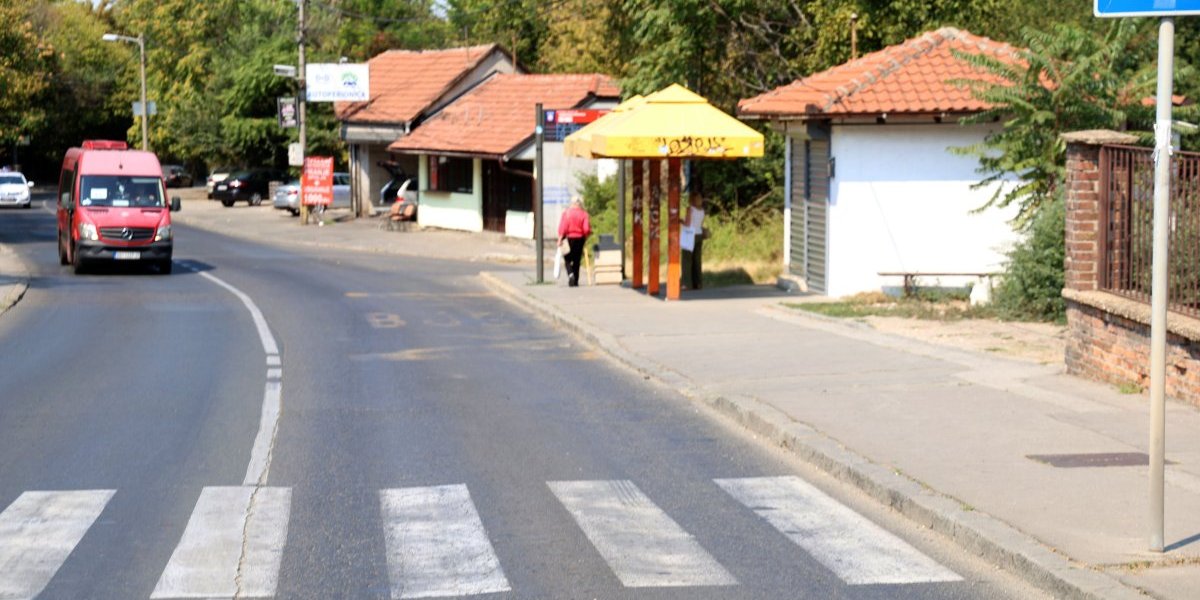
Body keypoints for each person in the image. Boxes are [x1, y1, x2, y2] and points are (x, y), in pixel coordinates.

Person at [557, 196, 591, 287]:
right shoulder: (584, 214)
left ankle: (570, 274)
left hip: (568, 238)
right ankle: (575, 280)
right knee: (577, 259)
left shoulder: (566, 213)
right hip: (580, 238)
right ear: (580, 204)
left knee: (567, 258)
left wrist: (560, 239)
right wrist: (586, 235)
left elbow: (563, 227)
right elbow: (586, 229)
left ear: (572, 203)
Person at [681, 192, 706, 290]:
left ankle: (686, 284)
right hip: (699, 234)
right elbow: (700, 223)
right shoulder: (702, 211)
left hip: (690, 235)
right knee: (697, 260)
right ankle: (698, 283)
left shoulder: (690, 209)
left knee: (687, 260)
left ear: (691, 200)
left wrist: (680, 221)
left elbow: (687, 223)